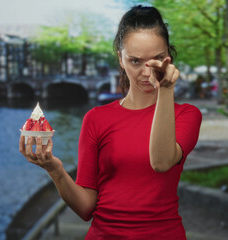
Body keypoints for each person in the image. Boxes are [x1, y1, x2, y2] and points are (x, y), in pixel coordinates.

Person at [19, 5, 202, 239]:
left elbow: (162, 162)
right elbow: (86, 209)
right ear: (121, 59)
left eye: (156, 60)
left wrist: (166, 89)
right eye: (135, 61)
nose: (147, 73)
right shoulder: (96, 119)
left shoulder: (186, 115)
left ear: (169, 58)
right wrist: (55, 170)